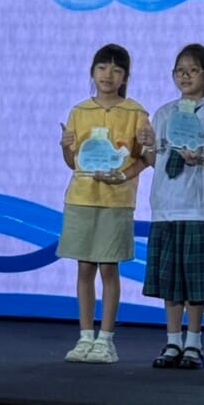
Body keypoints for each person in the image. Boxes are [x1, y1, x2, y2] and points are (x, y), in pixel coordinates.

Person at [136, 43, 204, 371]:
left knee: (195, 281)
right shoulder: (164, 113)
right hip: (166, 205)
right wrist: (146, 145)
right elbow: (155, 160)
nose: (185, 76)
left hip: (199, 207)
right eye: (180, 71)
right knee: (170, 281)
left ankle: (194, 342)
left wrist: (203, 158)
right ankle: (172, 341)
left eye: (193, 70)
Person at [57, 43, 151, 364]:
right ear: (92, 72)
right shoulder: (79, 111)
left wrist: (124, 176)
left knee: (109, 268)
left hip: (117, 201)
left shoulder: (136, 113)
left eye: (116, 69)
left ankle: (106, 340)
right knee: (85, 267)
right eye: (102, 67)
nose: (108, 75)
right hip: (81, 198)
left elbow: (145, 158)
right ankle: (85, 336)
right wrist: (66, 147)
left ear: (125, 77)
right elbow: (74, 163)